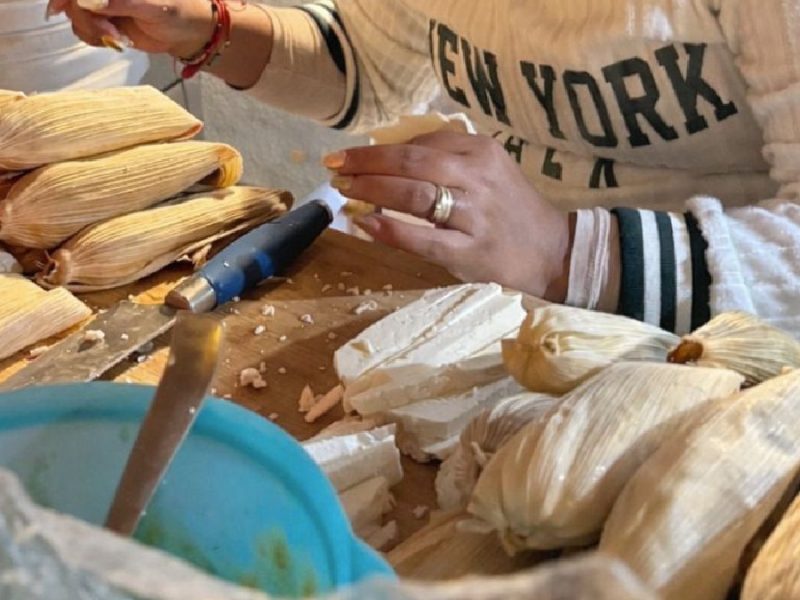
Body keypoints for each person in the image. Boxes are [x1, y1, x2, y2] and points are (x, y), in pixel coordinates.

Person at [51, 0, 800, 337]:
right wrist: (206, 29)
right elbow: (371, 66)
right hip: (519, 315)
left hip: (734, 348)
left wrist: (571, 253)